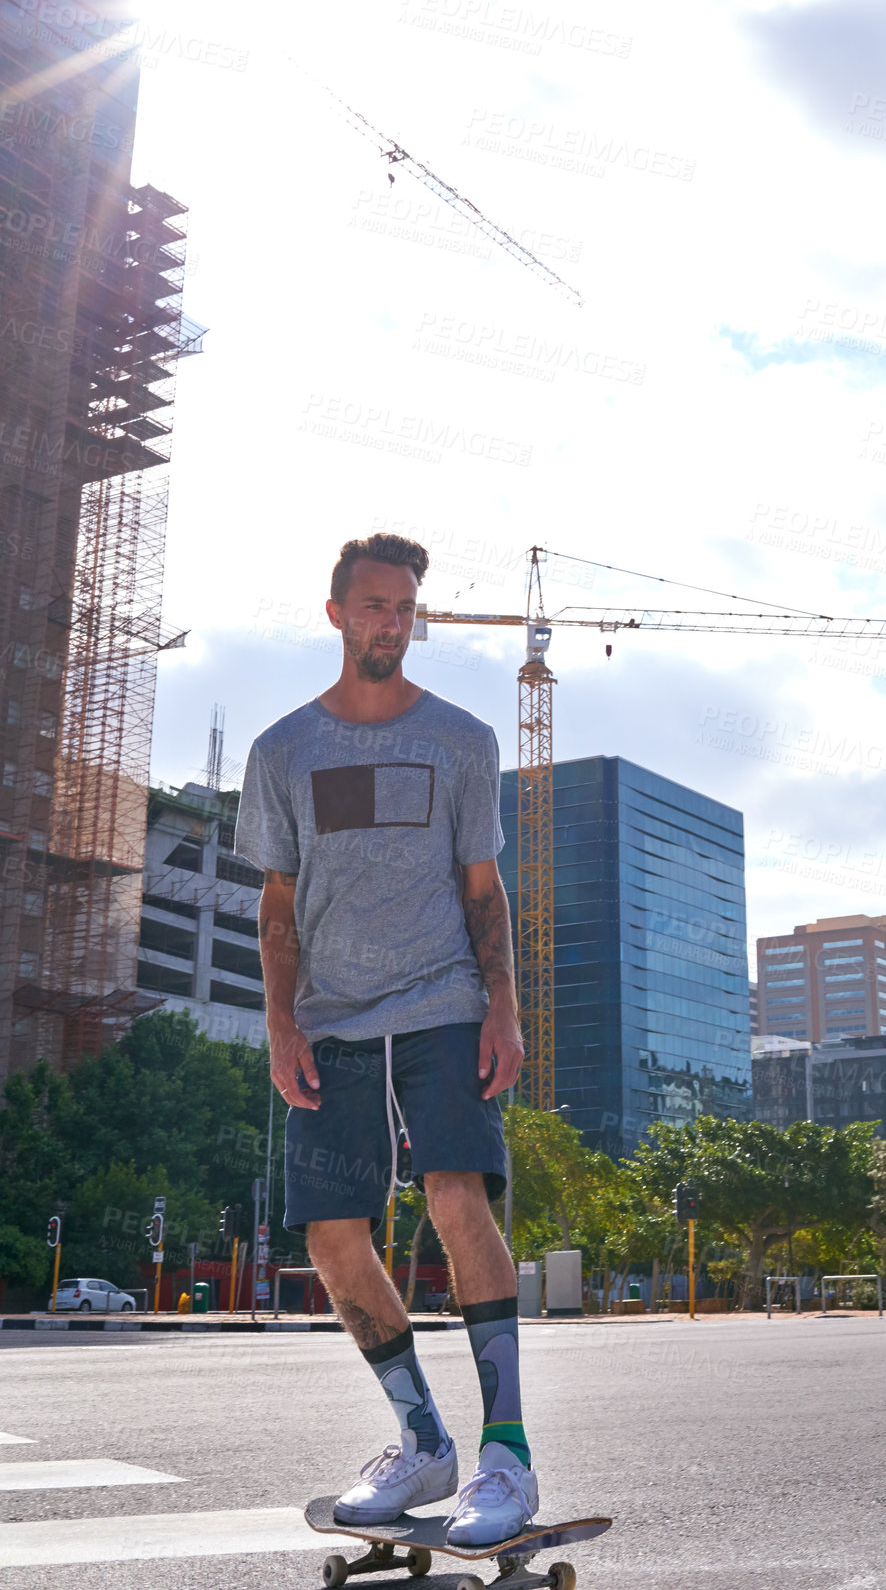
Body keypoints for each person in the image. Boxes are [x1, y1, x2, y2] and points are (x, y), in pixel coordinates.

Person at [236, 532, 536, 1545]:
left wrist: (503, 1005)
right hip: (330, 1017)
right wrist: (280, 1019)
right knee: (331, 1235)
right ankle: (422, 1442)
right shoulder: (282, 751)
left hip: (443, 1000)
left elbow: (481, 887)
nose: (389, 621)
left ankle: (505, 1457)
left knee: (455, 1191)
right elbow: (276, 900)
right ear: (337, 614)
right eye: (372, 604)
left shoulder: (461, 739)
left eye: (404, 606)